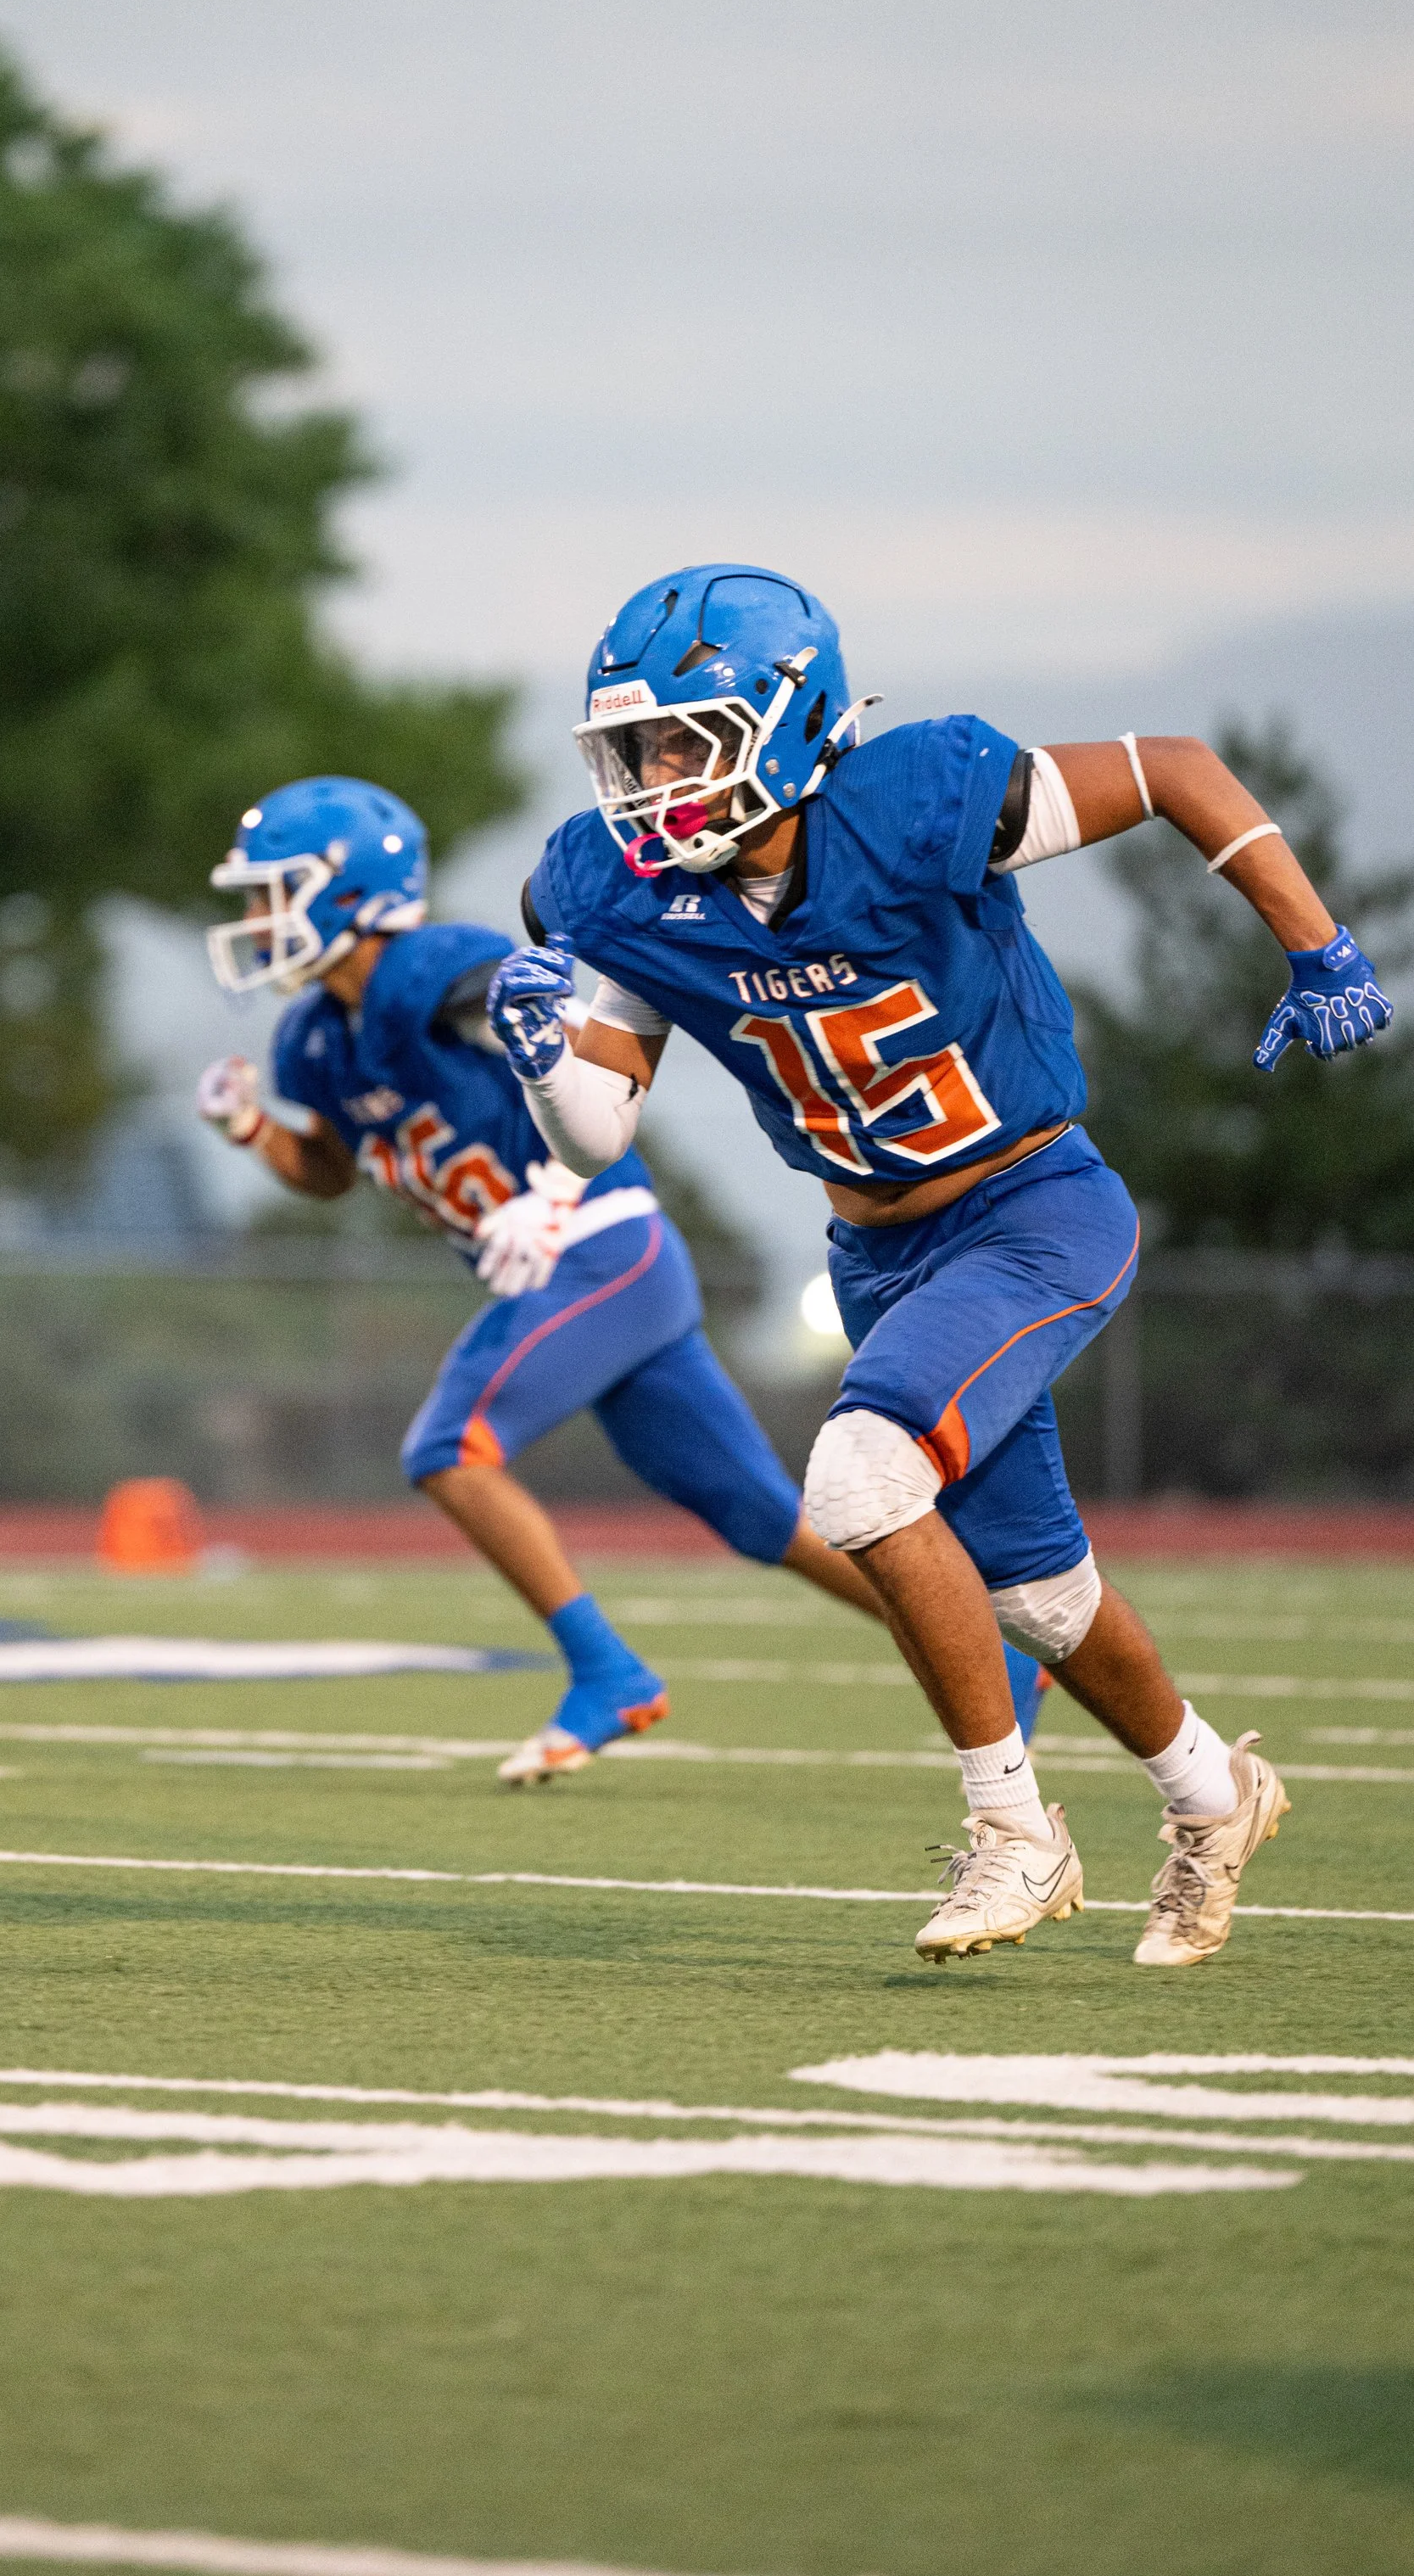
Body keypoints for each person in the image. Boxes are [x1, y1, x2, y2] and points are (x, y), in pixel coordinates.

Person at [489, 565, 1392, 1962]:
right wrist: (544, 1052)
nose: (654, 780)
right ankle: (1216, 1794)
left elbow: (1174, 770)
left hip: (1032, 1207)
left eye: (687, 740)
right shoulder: (619, 890)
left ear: (785, 726)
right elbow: (599, 1124)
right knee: (1037, 1593)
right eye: (637, 749)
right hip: (875, 1249)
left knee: (860, 1476)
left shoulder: (911, 803)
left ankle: (1017, 1836)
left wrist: (1316, 944)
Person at [193, 774, 952, 1788]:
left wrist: (549, 1190)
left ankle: (606, 1672)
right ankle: (1000, 1659)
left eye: (273, 890)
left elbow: (556, 1036)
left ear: (347, 889)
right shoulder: (315, 1039)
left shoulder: (431, 970)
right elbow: (331, 1171)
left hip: (598, 1241)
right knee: (760, 1518)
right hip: (580, 1272)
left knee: (448, 1448)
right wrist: (253, 1131)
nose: (256, 917)